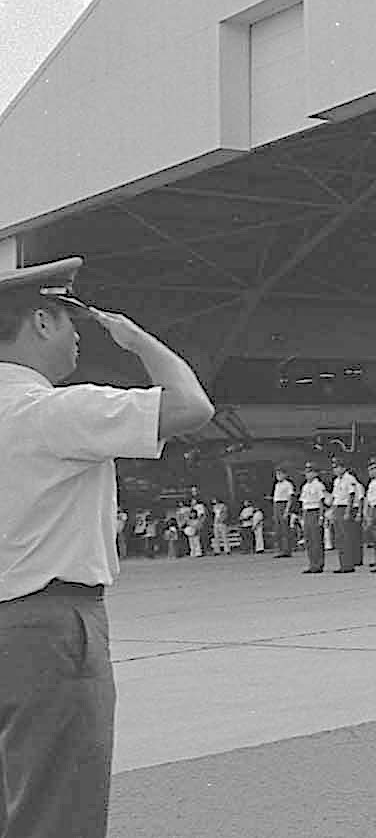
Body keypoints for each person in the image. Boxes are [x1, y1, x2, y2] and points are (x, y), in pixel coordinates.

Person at [0, 257, 214, 838]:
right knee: (56, 811)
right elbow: (192, 407)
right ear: (41, 322)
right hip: (46, 625)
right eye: (71, 322)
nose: (77, 337)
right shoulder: (49, 410)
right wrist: (138, 340)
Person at [329, 457, 363, 573]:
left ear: (343, 467)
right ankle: (343, 564)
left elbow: (351, 495)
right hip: (338, 508)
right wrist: (333, 511)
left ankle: (348, 564)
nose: (335, 469)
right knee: (339, 538)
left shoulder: (349, 479)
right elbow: (335, 497)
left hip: (345, 508)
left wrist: (348, 511)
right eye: (334, 467)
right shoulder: (336, 481)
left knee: (347, 537)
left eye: (337, 467)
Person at [298, 463, 328, 573]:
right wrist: (302, 516)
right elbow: (303, 502)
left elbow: (321, 502)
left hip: (315, 511)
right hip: (307, 512)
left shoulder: (318, 485)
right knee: (309, 540)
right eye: (306, 472)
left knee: (316, 539)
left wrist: (321, 516)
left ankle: (318, 564)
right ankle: (312, 564)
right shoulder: (305, 486)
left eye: (309, 472)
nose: (307, 474)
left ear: (315, 473)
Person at [271, 469, 295, 557]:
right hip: (276, 505)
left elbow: (290, 498)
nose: (278, 476)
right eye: (277, 474)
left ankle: (287, 550)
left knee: (285, 529)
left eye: (280, 474)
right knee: (278, 529)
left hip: (283, 504)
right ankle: (280, 549)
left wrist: (287, 510)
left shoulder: (288, 484)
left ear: (285, 475)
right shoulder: (277, 485)